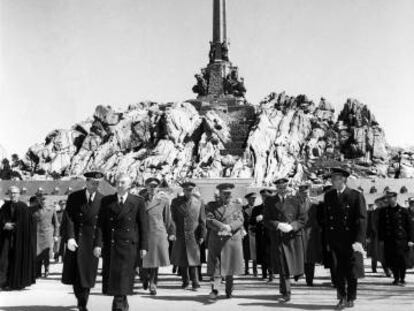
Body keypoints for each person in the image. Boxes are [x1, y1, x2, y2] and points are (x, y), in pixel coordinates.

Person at [94, 173, 148, 311]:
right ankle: (121, 301)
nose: (119, 185)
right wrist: (98, 244)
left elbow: (143, 226)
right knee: (114, 276)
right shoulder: (107, 201)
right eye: (117, 182)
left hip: (129, 246)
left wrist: (144, 246)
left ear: (129, 185)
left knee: (124, 275)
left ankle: (118, 304)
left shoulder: (137, 201)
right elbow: (100, 224)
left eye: (123, 182)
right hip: (111, 245)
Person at [321, 168, 366, 310]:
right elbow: (327, 220)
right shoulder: (329, 196)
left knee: (351, 271)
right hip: (335, 239)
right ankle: (341, 297)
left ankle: (351, 297)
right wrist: (327, 240)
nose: (334, 182)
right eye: (332, 179)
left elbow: (361, 219)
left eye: (336, 179)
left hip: (351, 240)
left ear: (344, 180)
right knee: (337, 271)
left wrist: (359, 240)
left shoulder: (355, 195)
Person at [61, 171, 104, 311]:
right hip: (77, 241)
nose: (95, 186)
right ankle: (81, 300)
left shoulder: (102, 199)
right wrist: (70, 237)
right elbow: (68, 219)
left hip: (91, 243)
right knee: (76, 274)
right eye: (93, 183)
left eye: (98, 183)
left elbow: (102, 225)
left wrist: (99, 244)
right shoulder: (74, 197)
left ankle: (83, 300)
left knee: (88, 274)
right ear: (87, 182)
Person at [264, 178, 306, 303]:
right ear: (276, 188)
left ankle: (287, 287)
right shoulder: (270, 201)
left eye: (284, 187)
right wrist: (277, 224)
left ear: (288, 187)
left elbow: (302, 219)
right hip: (278, 237)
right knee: (283, 265)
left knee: (292, 265)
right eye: (279, 188)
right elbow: (266, 220)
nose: (282, 190)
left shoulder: (296, 200)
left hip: (292, 237)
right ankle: (286, 292)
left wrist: (292, 226)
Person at [206, 183, 244, 299]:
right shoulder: (211, 206)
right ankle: (215, 290)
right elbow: (209, 219)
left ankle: (229, 290)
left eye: (229, 193)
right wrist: (223, 226)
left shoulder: (236, 206)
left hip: (231, 240)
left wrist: (230, 227)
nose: (227, 195)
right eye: (224, 193)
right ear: (220, 194)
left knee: (229, 268)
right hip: (217, 239)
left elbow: (240, 220)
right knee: (216, 267)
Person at [140, 177, 174, 295]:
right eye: (150, 186)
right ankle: (144, 277)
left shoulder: (163, 200)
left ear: (158, 187)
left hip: (157, 233)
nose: (153, 188)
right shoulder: (140, 200)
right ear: (146, 187)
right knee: (143, 259)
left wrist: (170, 233)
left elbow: (168, 219)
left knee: (155, 260)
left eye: (155, 186)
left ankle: (153, 283)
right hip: (144, 232)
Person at [170, 182, 206, 290]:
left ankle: (195, 282)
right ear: (183, 191)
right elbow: (172, 219)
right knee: (182, 259)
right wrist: (172, 233)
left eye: (190, 190)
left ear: (193, 190)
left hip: (193, 235)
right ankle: (185, 281)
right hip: (180, 234)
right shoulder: (176, 202)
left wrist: (202, 235)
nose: (188, 192)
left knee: (194, 260)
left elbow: (202, 220)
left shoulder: (199, 202)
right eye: (186, 190)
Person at [0, 186, 36, 290]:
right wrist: (4, 224)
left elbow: (26, 224)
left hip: (20, 239)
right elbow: (1, 218)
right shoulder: (4, 207)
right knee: (4, 259)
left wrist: (14, 226)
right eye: (11, 193)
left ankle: (18, 283)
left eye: (15, 193)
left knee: (18, 259)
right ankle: (4, 282)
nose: (13, 195)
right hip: (6, 237)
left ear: (19, 194)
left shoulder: (23, 207)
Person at [378, 191, 414, 286]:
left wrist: (411, 240)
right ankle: (396, 278)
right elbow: (381, 226)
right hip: (389, 239)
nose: (389, 200)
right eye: (388, 198)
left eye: (391, 198)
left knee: (401, 260)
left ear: (395, 198)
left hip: (401, 239)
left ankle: (402, 278)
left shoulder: (403, 211)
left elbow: (409, 226)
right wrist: (381, 239)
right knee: (391, 259)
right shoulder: (384, 211)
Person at [298, 183, 323, 286]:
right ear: (299, 193)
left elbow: (319, 218)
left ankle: (310, 279)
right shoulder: (295, 204)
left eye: (306, 193)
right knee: (300, 256)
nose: (305, 194)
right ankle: (299, 273)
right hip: (299, 233)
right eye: (303, 193)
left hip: (311, 234)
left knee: (311, 258)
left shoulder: (315, 204)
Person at [32, 194, 59, 278]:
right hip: (37, 233)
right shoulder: (34, 209)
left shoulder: (51, 209)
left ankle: (47, 269)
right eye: (41, 200)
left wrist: (56, 235)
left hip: (47, 234)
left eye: (45, 199)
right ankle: (37, 272)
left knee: (46, 253)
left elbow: (56, 223)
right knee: (37, 252)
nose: (43, 201)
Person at [250, 188, 274, 281]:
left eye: (267, 196)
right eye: (263, 196)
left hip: (271, 234)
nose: (265, 198)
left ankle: (271, 273)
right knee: (263, 254)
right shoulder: (257, 208)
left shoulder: (274, 208)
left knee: (270, 254)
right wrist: (256, 219)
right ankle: (264, 273)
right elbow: (251, 221)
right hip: (261, 234)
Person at [367, 197, 391, 276]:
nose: (380, 205)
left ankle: (388, 269)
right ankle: (384, 269)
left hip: (388, 236)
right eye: (379, 203)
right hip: (377, 236)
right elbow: (370, 225)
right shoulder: (374, 212)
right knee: (379, 253)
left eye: (382, 203)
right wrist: (368, 236)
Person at [242, 192, 257, 276]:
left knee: (255, 251)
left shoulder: (257, 208)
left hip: (255, 232)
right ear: (248, 200)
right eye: (251, 199)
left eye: (254, 199)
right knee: (246, 251)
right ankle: (247, 269)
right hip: (246, 232)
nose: (253, 200)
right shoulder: (243, 209)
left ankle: (255, 270)